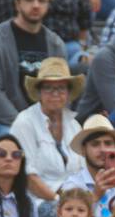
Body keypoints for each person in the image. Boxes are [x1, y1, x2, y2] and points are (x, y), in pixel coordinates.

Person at [0, 0, 67, 148]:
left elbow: (60, 91)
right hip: (1, 124)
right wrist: (27, 127)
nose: (35, 5)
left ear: (48, 5)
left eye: (41, 0)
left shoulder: (56, 44)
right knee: (19, 143)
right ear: (17, 4)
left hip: (45, 124)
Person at [10, 56, 83, 201]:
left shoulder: (74, 124)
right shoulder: (25, 122)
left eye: (61, 88)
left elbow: (83, 170)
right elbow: (27, 176)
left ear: (68, 93)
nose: (55, 93)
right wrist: (58, 201)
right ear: (39, 92)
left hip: (73, 201)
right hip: (36, 202)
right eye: (48, 88)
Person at [63, 113, 115, 217]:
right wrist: (95, 196)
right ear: (83, 150)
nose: (103, 149)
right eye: (95, 144)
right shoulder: (71, 186)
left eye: (108, 143)